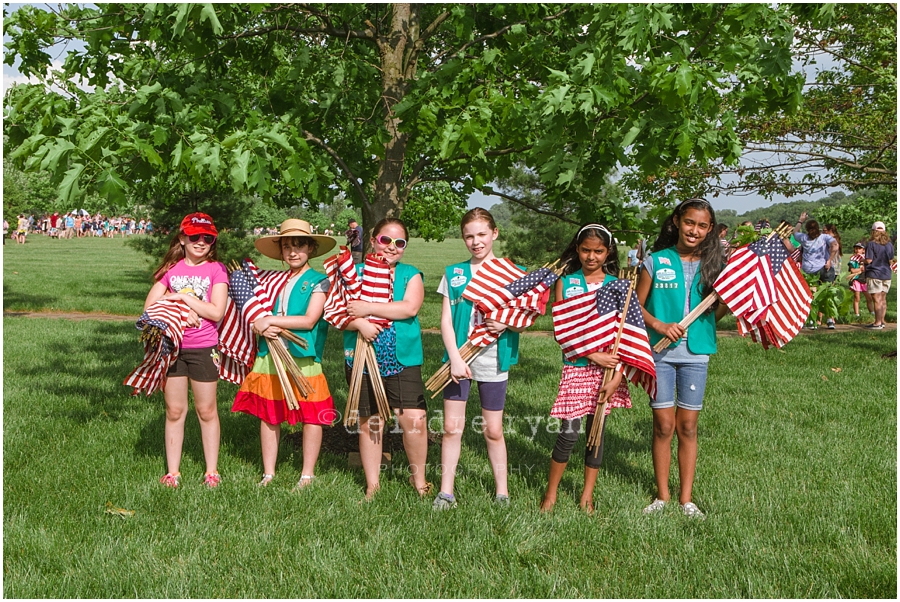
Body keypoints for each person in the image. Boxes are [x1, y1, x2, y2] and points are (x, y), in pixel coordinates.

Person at [636, 198, 728, 519]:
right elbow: (635, 307)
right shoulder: (655, 261)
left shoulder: (715, 266)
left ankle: (686, 499)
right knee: (663, 425)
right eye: (690, 223)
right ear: (677, 221)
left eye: (702, 226)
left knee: (687, 426)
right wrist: (660, 325)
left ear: (710, 229)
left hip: (696, 353)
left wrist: (729, 299)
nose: (695, 230)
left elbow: (718, 313)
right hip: (659, 352)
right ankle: (662, 495)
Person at [232, 219, 338, 489]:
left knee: (311, 413)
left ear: (311, 249)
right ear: (280, 250)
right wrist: (261, 322)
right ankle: (268, 472)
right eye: (287, 246)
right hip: (271, 353)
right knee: (269, 412)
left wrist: (270, 322)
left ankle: (307, 474)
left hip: (302, 355)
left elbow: (309, 320)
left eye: (300, 245)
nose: (293, 251)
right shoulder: (273, 280)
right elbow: (257, 306)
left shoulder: (320, 281)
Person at [433, 208, 526, 509]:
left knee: (494, 430)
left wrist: (506, 324)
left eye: (482, 234)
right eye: (469, 236)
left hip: (493, 359)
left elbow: (527, 314)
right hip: (459, 358)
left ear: (495, 234)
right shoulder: (454, 273)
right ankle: (446, 492)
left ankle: (502, 492)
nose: (476, 242)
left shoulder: (512, 273)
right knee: (451, 428)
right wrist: (454, 359)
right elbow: (446, 321)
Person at [540, 223, 632, 513]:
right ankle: (551, 494)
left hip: (608, 372)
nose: (591, 257)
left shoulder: (616, 285)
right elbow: (561, 331)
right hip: (577, 366)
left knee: (597, 433)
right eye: (585, 250)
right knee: (569, 432)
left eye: (599, 251)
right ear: (577, 250)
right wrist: (593, 354)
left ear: (608, 252)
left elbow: (627, 333)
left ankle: (586, 496)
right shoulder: (566, 283)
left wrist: (617, 376)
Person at [343, 217, 429, 500]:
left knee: (413, 419)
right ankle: (372, 485)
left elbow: (409, 308)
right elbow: (338, 312)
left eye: (399, 243)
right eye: (385, 240)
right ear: (372, 240)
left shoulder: (410, 273)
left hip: (401, 357)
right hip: (361, 357)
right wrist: (359, 324)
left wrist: (367, 307)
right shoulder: (353, 272)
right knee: (370, 422)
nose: (392, 247)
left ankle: (420, 481)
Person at [144, 213, 229, 488]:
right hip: (172, 347)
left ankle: (212, 471)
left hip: (203, 347)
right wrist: (178, 307)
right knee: (174, 410)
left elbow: (216, 312)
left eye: (208, 237)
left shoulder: (216, 270)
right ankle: (173, 471)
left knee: (206, 410)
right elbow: (149, 310)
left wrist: (182, 297)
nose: (201, 242)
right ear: (182, 239)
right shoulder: (171, 270)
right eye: (195, 236)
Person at [793, 212, 839, 329]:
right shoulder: (824, 237)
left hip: (810, 270)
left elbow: (794, 233)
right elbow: (835, 245)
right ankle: (830, 320)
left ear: (807, 229)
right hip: (825, 268)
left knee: (813, 295)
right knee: (827, 294)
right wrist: (829, 259)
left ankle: (812, 321)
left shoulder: (803, 238)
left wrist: (800, 220)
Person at [864, 221, 894, 329]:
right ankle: (882, 321)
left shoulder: (871, 244)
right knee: (883, 299)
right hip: (886, 274)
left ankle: (877, 323)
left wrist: (861, 260)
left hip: (874, 273)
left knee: (876, 299)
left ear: (873, 231)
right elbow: (891, 260)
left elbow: (869, 260)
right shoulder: (889, 245)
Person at [847, 242, 874, 318]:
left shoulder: (866, 260)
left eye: (859, 248)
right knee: (857, 297)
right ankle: (857, 314)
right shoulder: (853, 260)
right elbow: (852, 270)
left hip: (864, 280)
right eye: (856, 248)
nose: (857, 250)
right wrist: (861, 269)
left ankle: (872, 312)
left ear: (863, 250)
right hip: (856, 280)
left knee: (869, 298)